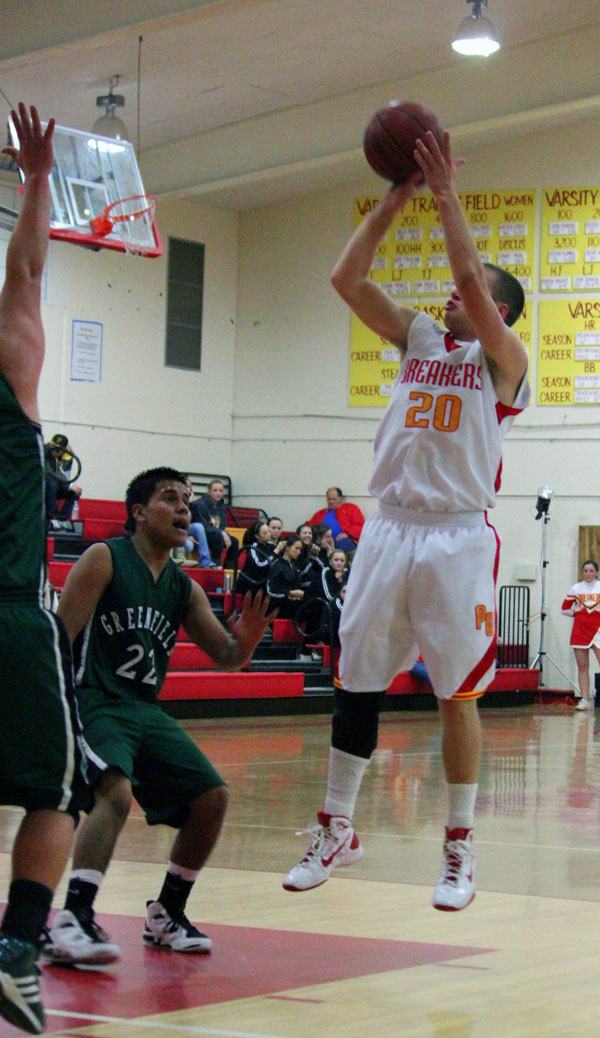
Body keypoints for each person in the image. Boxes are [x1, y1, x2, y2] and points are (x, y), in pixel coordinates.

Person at [283, 128, 529, 912]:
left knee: (456, 694)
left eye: (472, 294)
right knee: (356, 681)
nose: (452, 296)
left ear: (498, 310)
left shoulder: (505, 364)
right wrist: (396, 197)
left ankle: (458, 847)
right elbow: (345, 278)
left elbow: (468, 278)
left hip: (457, 536)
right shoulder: (420, 336)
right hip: (390, 526)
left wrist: (447, 193)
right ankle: (337, 827)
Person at [43, 467, 275, 967]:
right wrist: (50, 710)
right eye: (170, 498)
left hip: (144, 709)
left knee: (211, 798)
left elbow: (227, 656)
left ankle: (167, 914)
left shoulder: (184, 588)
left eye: (187, 501)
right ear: (139, 512)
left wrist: (249, 640)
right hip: (95, 700)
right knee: (115, 794)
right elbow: (60, 638)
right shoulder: (104, 558)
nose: (184, 508)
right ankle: (73, 918)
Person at [0, 103, 87, 1035]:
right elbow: (25, 273)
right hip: (11, 615)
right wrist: (35, 179)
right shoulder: (11, 366)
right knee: (60, 791)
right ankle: (17, 951)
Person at [561, 560, 600, 711]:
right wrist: (576, 613)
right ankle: (584, 699)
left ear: (596, 572)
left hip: (598, 630)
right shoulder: (576, 588)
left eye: (591, 571)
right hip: (580, 630)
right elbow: (564, 609)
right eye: (585, 571)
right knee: (582, 666)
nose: (588, 574)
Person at [190, 478, 238, 566]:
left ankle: (229, 569)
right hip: (201, 536)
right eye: (215, 490)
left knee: (234, 541)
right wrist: (221, 532)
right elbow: (203, 526)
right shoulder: (200, 504)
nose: (218, 493)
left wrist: (222, 532)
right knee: (218, 538)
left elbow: (223, 524)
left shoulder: (221, 506)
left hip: (215, 534)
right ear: (209, 491)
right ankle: (215, 565)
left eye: (220, 491)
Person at [307, 487, 365, 552]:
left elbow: (360, 526)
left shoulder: (350, 508)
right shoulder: (320, 513)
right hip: (323, 542)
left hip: (343, 540)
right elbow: (309, 526)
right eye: (329, 499)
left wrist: (347, 534)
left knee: (344, 545)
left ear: (340, 499)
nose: (331, 502)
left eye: (334, 499)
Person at [44, 432, 82, 524]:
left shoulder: (61, 458)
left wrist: (71, 487)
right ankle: (51, 517)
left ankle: (61, 519)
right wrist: (70, 485)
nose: (55, 451)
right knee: (52, 483)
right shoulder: (44, 452)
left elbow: (61, 475)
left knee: (75, 491)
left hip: (53, 486)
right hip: (42, 486)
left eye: (58, 450)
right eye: (53, 448)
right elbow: (48, 473)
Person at [265, 534, 305, 618]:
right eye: (296, 548)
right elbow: (271, 590)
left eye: (300, 549)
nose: (299, 552)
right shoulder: (277, 564)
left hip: (291, 604)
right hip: (278, 606)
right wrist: (289, 593)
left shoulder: (295, 566)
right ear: (287, 547)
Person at [236, 520, 275, 598]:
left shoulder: (271, 545)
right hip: (250, 582)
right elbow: (260, 565)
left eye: (269, 532)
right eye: (265, 533)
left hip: (263, 581)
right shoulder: (253, 548)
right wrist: (275, 553)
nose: (268, 534)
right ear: (257, 536)